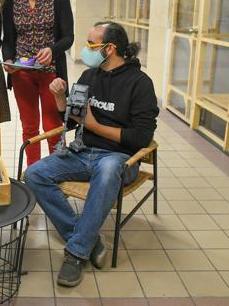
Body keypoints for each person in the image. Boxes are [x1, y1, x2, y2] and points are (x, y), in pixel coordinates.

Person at [24, 22, 159, 287]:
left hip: (120, 158)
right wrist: (62, 97)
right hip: (82, 151)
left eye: (91, 45)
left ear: (110, 49)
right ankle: (87, 238)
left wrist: (96, 127)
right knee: (34, 174)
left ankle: (75, 254)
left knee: (108, 171)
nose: (86, 50)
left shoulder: (140, 83)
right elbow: (73, 120)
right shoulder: (89, 77)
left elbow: (141, 138)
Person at [2, 0, 74, 164]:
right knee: (29, 127)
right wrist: (8, 61)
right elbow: (9, 39)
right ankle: (33, 173)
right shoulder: (10, 1)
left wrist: (52, 50)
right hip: (22, 73)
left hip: (51, 72)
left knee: (52, 125)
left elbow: (68, 37)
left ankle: (55, 170)